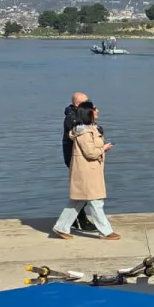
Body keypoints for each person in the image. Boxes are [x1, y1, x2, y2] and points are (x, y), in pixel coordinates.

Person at [53, 100, 120, 240]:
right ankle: (106, 232)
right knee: (96, 202)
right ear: (88, 112)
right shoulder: (84, 133)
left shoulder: (89, 129)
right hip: (87, 172)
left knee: (78, 200)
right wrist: (104, 148)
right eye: (95, 109)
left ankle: (61, 227)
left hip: (88, 171)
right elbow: (90, 153)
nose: (97, 110)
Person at [63, 92, 97, 233]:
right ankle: (79, 220)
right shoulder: (71, 118)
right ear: (77, 104)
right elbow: (81, 134)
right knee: (82, 191)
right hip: (76, 159)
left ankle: (73, 221)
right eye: (85, 102)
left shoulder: (78, 116)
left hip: (81, 158)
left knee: (82, 191)